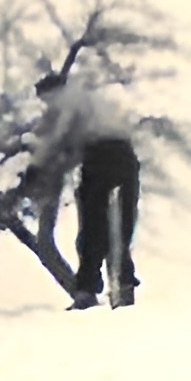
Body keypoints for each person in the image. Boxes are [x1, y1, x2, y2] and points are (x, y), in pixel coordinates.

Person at [23, 72, 142, 309]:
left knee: (91, 228)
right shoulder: (93, 98)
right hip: (125, 159)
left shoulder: (66, 104)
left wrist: (32, 175)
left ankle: (88, 290)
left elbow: (55, 143)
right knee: (120, 227)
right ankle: (123, 287)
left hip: (99, 159)